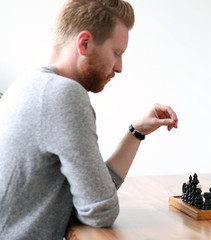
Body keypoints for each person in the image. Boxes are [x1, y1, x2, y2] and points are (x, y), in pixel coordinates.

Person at [0, 0, 179, 239]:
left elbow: (91, 201)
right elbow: (100, 211)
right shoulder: (63, 94)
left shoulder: (28, 84)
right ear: (84, 43)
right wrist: (98, 202)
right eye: (116, 53)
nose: (119, 67)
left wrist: (137, 132)